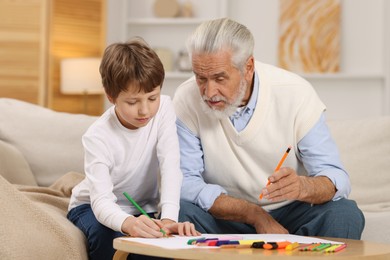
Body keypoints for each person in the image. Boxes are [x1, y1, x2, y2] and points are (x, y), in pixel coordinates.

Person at [173, 18, 365, 239]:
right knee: (181, 212)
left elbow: (335, 177)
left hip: (291, 211)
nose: (208, 91)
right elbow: (185, 182)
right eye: (201, 78)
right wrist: (253, 214)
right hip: (226, 214)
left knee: (345, 214)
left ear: (248, 67)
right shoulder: (186, 98)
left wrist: (303, 187)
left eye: (219, 78)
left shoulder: (295, 93)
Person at [67, 37, 199, 260]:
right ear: (111, 97)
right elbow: (100, 201)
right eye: (132, 102)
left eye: (152, 97)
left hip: (141, 207)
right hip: (91, 206)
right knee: (108, 239)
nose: (145, 110)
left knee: (154, 250)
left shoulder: (165, 108)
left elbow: (170, 166)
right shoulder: (96, 136)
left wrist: (168, 219)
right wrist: (128, 223)